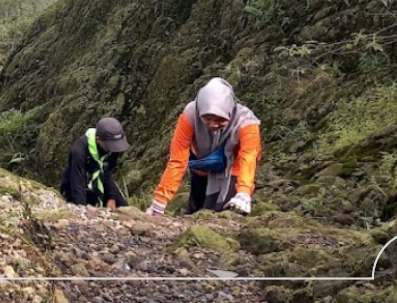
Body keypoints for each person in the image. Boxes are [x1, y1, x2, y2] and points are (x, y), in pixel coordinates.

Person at [146, 78, 261, 217]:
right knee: (196, 210)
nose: (213, 124)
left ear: (230, 110)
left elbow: (248, 157)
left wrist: (244, 191)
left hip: (232, 170)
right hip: (201, 166)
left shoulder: (246, 122)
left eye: (220, 119)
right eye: (207, 118)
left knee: (223, 212)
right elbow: (177, 159)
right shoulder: (191, 114)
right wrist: (160, 201)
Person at [59, 117, 130, 209]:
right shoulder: (79, 151)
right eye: (111, 146)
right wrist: (83, 211)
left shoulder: (112, 147)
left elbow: (107, 173)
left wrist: (111, 198)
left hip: (100, 181)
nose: (114, 149)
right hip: (77, 185)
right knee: (82, 206)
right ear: (98, 139)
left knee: (124, 208)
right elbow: (78, 184)